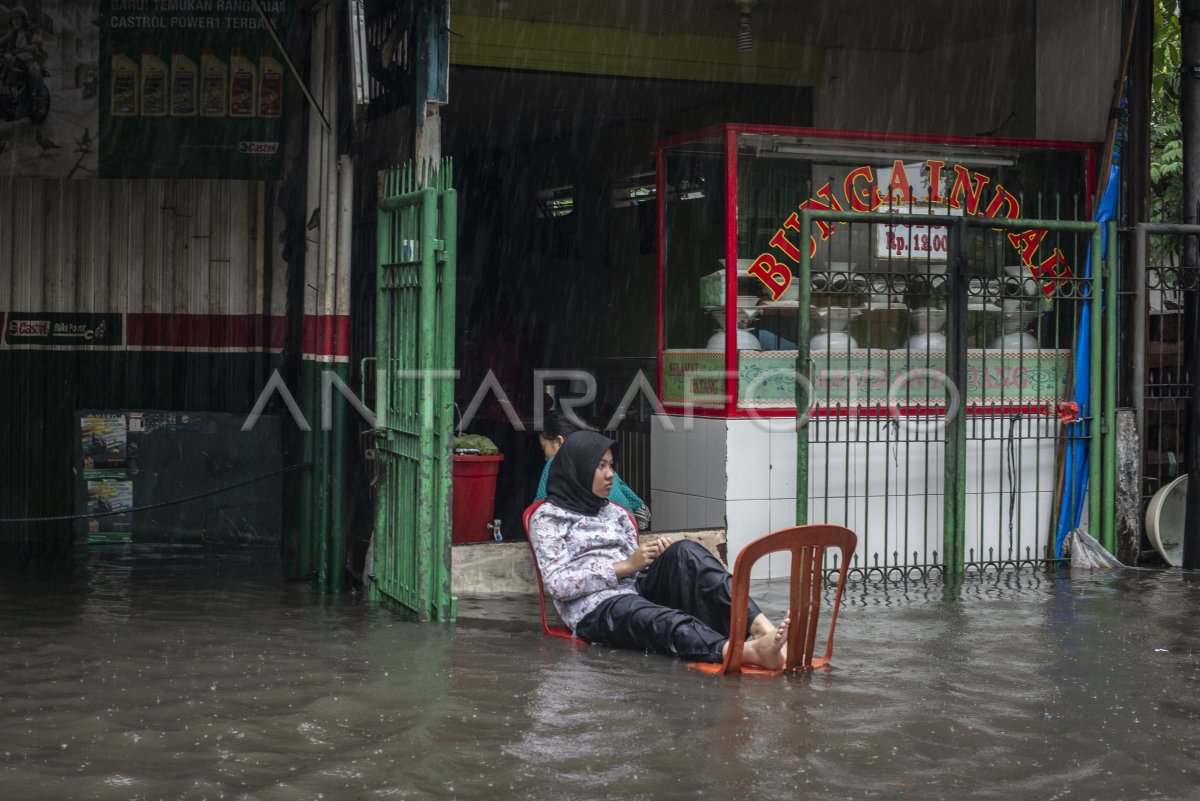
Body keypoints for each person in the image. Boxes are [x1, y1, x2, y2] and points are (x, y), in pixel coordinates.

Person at [528, 430, 789, 668]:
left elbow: (634, 567)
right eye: (600, 466)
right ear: (579, 469)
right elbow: (558, 585)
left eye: (611, 465)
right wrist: (626, 566)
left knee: (685, 552)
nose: (610, 475)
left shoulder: (616, 512)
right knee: (664, 620)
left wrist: (652, 557)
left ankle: (761, 628)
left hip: (633, 588)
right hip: (594, 609)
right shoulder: (548, 518)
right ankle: (745, 652)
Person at [535, 410, 651, 530]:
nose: (545, 458)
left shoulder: (555, 462)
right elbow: (642, 511)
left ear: (559, 442)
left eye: (544, 448)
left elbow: (539, 514)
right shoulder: (606, 469)